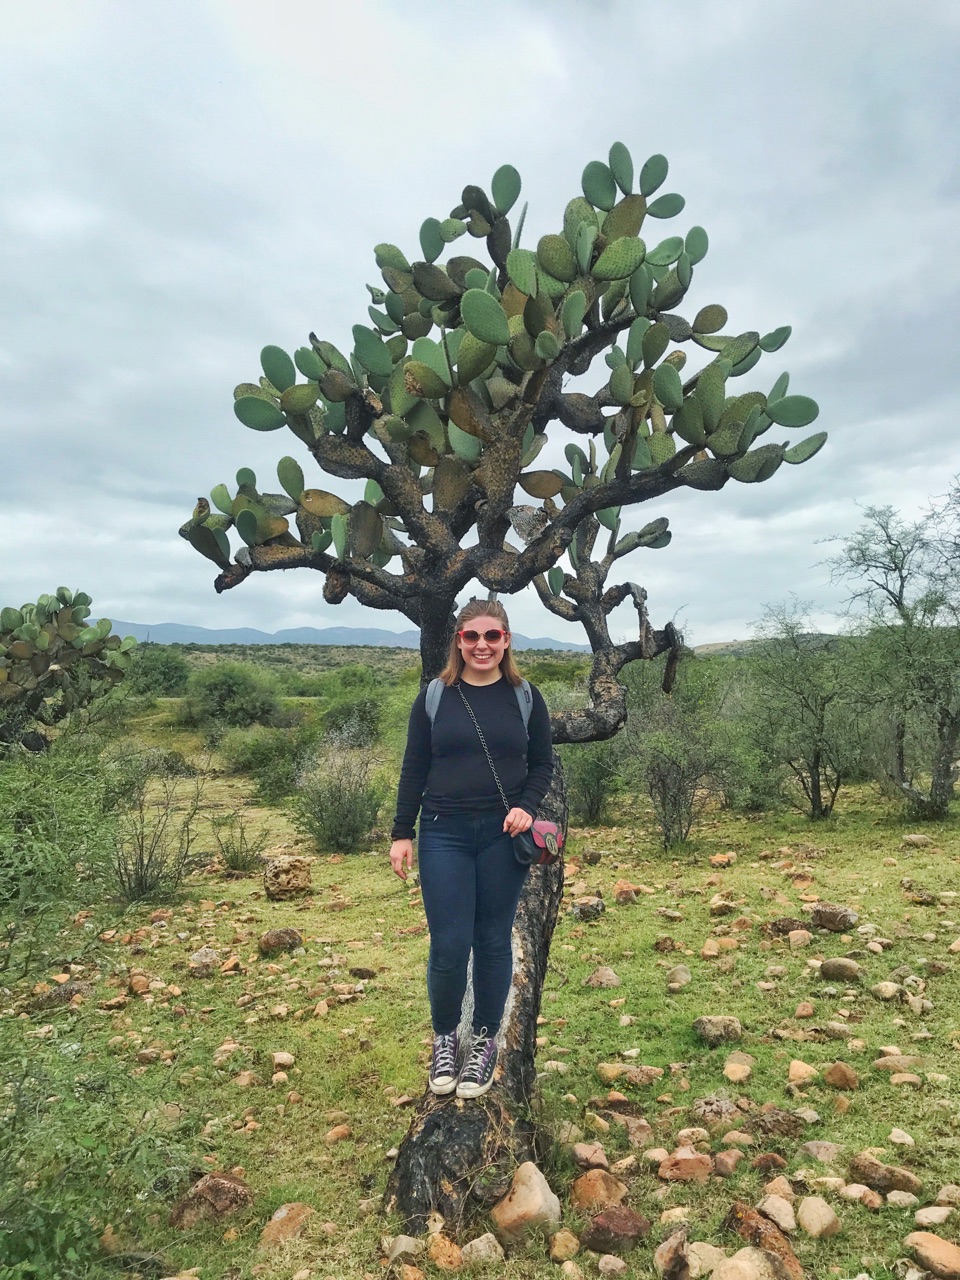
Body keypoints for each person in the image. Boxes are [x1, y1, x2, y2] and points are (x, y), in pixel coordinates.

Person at [389, 599, 553, 1099]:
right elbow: (414, 766)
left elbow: (542, 764)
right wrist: (402, 832)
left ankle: (484, 1039)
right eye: (472, 636)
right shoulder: (435, 697)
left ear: (507, 640)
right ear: (458, 642)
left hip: (502, 836)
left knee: (492, 939)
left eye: (492, 636)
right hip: (444, 833)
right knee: (449, 943)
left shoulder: (525, 697)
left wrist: (526, 807)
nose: (482, 645)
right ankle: (445, 1037)